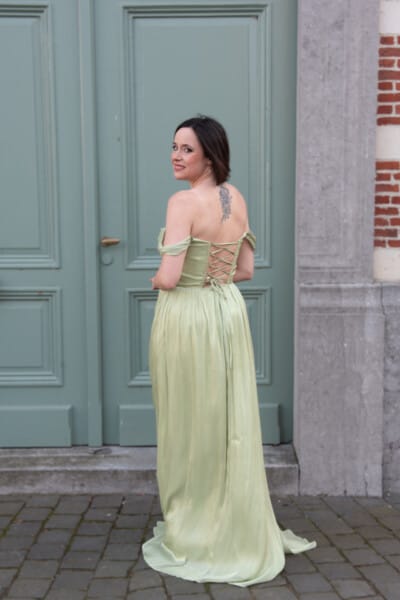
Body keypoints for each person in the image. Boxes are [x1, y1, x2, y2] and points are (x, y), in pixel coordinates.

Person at [142, 116, 316, 586]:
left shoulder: (181, 202)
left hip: (189, 314)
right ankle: (229, 518)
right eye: (174, 146)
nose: (176, 156)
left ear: (210, 155)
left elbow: (171, 277)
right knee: (225, 418)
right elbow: (245, 270)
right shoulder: (235, 198)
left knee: (188, 418)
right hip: (227, 310)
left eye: (187, 149)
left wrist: (156, 279)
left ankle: (197, 526)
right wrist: (212, 279)